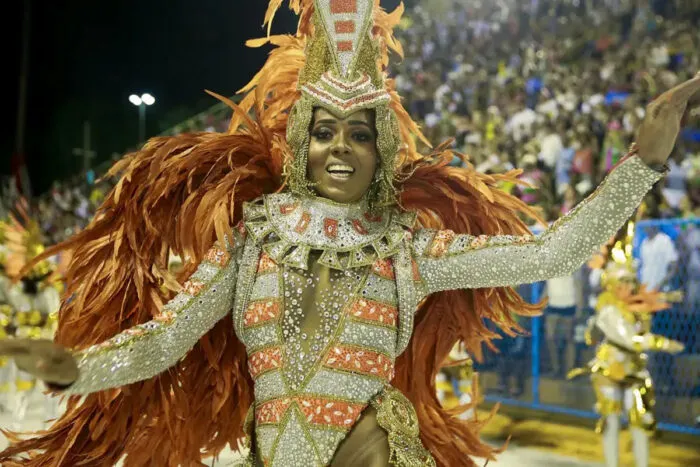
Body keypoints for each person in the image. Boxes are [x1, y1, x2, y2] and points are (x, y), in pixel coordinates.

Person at [1, 1, 699, 465]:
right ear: (302, 141)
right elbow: (163, 337)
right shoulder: (254, 238)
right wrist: (78, 367)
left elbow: (555, 251)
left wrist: (641, 164)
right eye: (325, 131)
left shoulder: (407, 245)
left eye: (359, 134)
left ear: (381, 146)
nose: (341, 148)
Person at [569, 221, 684, 467]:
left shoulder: (635, 306)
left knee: (639, 423)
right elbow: (631, 340)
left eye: (631, 282)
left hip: (634, 371)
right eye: (622, 282)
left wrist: (661, 300)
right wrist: (664, 344)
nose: (628, 287)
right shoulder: (607, 310)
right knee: (611, 421)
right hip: (610, 371)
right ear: (611, 284)